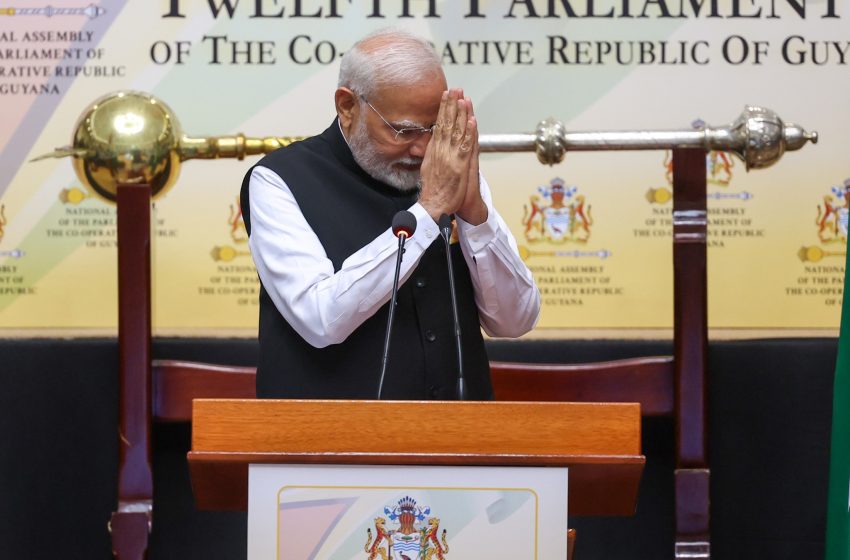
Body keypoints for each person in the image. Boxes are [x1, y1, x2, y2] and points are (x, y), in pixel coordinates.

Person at [241, 28, 540, 400]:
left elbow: (516, 320)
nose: (422, 149)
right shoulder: (279, 180)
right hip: (328, 443)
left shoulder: (448, 170)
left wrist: (475, 215)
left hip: (457, 439)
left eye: (434, 128)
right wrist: (429, 211)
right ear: (347, 107)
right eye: (404, 130)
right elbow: (320, 319)